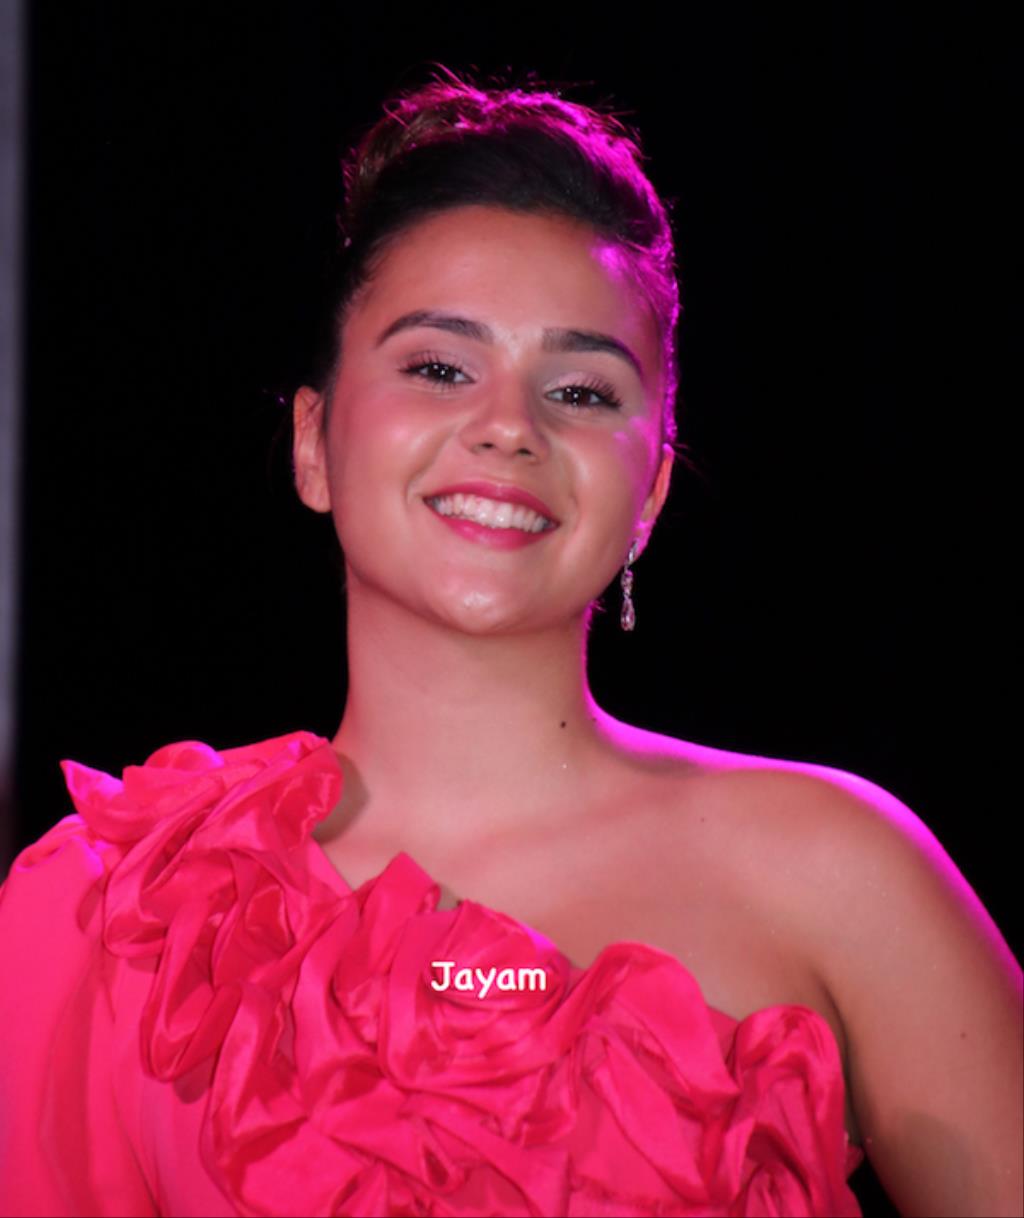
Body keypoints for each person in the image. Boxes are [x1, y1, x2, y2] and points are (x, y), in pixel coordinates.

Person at [1, 65, 1020, 1218]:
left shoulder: (837, 872)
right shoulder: (116, 911)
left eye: (580, 392)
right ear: (314, 443)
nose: (506, 428)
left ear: (650, 491)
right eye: (439, 369)